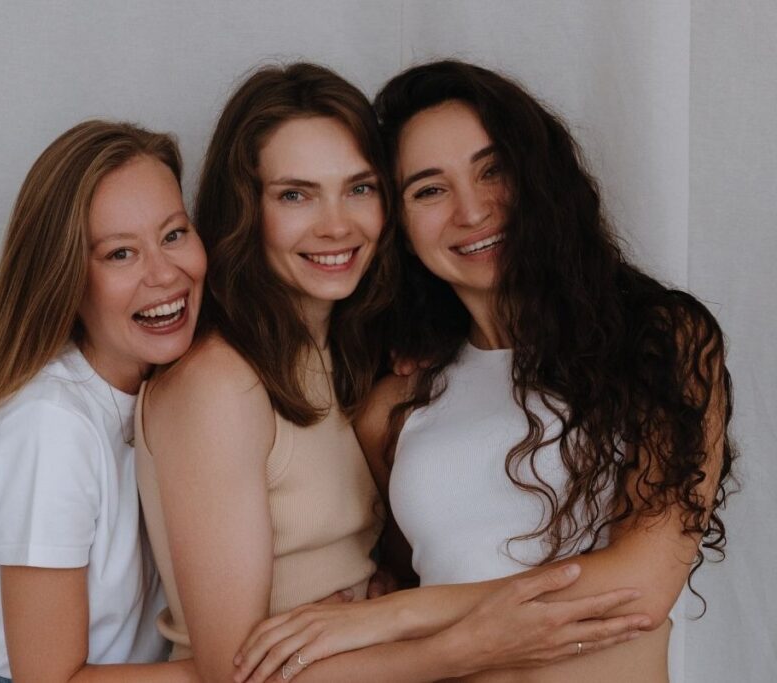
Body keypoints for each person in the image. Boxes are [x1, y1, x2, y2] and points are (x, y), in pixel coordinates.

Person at [136, 62, 652, 683]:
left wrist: (385, 596)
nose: (336, 223)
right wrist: (466, 647)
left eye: (359, 188)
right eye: (294, 194)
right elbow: (233, 674)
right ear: (245, 210)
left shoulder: (349, 362)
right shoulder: (219, 384)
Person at [232, 60, 734, 683]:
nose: (472, 212)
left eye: (493, 170)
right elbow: (407, 578)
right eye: (429, 189)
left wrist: (390, 617)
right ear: (399, 226)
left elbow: (637, 590)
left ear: (539, 176)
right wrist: (392, 611)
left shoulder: (663, 343)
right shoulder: (393, 404)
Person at [0, 121, 206, 683]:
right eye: (121, 254)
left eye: (173, 234)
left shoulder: (166, 382)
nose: (165, 273)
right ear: (66, 277)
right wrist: (235, 668)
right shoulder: (49, 427)